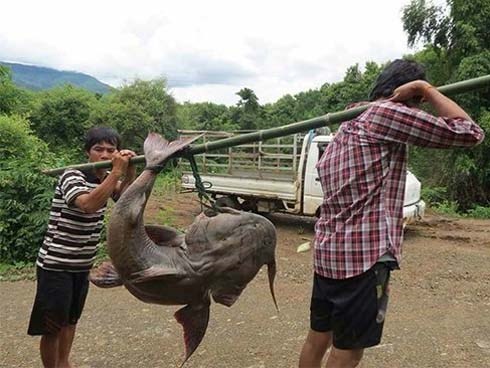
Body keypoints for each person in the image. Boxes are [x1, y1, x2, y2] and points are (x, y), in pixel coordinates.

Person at [298, 59, 485, 368]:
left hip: (328, 253)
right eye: (419, 102)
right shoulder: (387, 113)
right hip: (362, 260)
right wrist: (427, 89)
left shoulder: (351, 117)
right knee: (348, 350)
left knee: (318, 337)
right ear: (411, 97)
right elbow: (470, 133)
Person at [27, 126, 137, 368]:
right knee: (52, 327)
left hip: (81, 265)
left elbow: (124, 200)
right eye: (99, 149)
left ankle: (64, 363)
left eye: (111, 150)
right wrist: (115, 173)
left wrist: (128, 173)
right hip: (56, 265)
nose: (105, 155)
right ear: (88, 152)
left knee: (70, 321)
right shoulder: (71, 175)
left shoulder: (103, 178)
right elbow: (88, 204)